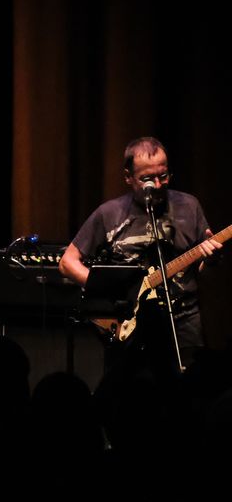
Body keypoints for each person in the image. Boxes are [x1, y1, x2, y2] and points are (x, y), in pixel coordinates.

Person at [58, 136, 221, 370]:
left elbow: (204, 274)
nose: (157, 184)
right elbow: (67, 262)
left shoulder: (189, 206)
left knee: (189, 384)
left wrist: (211, 261)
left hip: (183, 323)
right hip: (131, 323)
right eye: (147, 179)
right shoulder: (109, 213)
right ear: (128, 177)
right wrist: (107, 289)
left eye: (163, 175)